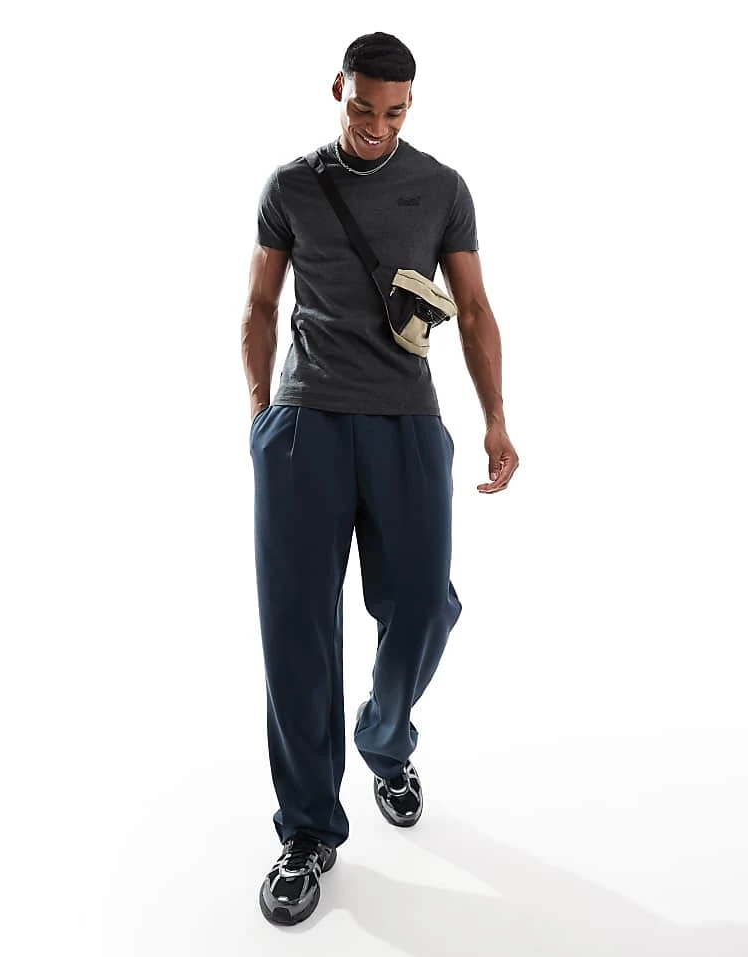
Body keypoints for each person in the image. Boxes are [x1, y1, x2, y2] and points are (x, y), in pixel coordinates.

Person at [241, 31, 519, 926]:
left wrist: (496, 417)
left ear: (410, 106)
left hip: (405, 420)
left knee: (425, 602)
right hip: (305, 425)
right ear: (340, 89)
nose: (375, 126)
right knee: (295, 630)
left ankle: (386, 737)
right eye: (363, 107)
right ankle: (307, 832)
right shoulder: (291, 185)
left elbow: (473, 307)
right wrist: (263, 413)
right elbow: (260, 303)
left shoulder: (442, 188)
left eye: (393, 112)